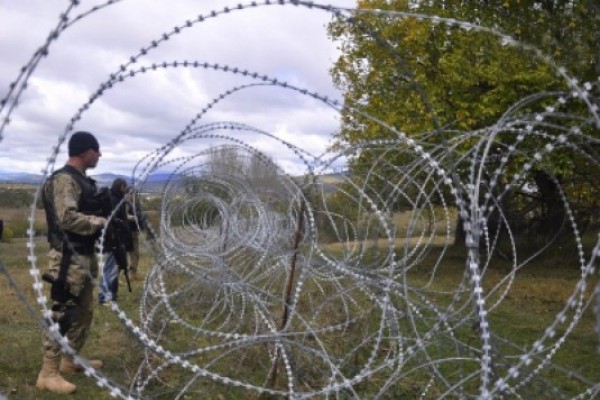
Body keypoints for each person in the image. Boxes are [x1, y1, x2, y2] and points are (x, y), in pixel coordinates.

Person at [36, 131, 107, 394]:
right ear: (84, 151)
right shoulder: (64, 180)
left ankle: (69, 360)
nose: (99, 155)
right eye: (96, 150)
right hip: (68, 258)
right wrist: (101, 223)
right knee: (62, 313)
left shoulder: (82, 181)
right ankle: (48, 373)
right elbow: (67, 218)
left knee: (84, 312)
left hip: (84, 256)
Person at [98, 178, 133, 305]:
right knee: (110, 268)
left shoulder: (118, 199)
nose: (126, 189)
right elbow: (113, 220)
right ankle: (104, 297)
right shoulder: (113, 200)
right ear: (120, 187)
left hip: (117, 239)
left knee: (115, 267)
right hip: (113, 240)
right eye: (125, 187)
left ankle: (112, 295)